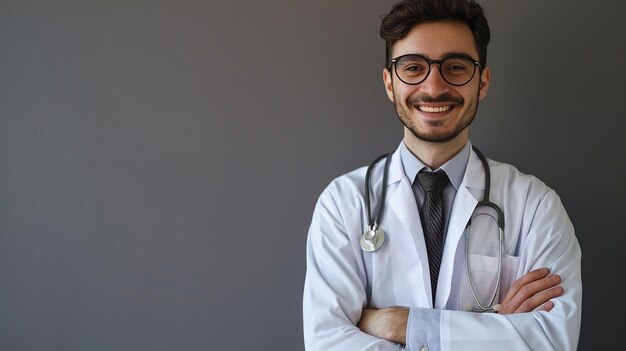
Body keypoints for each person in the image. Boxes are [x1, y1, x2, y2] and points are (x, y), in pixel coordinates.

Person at [302, 0, 582, 350]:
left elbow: (552, 341)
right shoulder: (343, 204)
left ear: (482, 82)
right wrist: (493, 328)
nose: (434, 87)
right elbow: (327, 342)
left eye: (455, 67)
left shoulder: (536, 206)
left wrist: (400, 324)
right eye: (413, 67)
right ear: (390, 83)